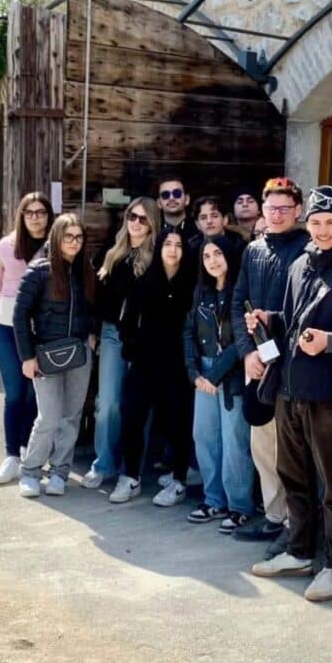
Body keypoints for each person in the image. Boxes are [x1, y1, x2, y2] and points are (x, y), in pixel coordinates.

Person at [249, 185, 332, 602]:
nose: (323, 230)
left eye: (331, 223)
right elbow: (290, 321)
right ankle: (299, 550)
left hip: (329, 393)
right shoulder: (299, 265)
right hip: (291, 388)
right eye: (316, 222)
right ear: (307, 224)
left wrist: (330, 342)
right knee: (294, 476)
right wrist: (267, 319)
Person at [229, 176, 309, 545]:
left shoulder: (309, 249)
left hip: (293, 366)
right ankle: (275, 516)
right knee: (262, 446)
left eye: (284, 208)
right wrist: (247, 352)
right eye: (271, 208)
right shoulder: (253, 250)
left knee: (292, 451)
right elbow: (237, 303)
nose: (277, 214)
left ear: (298, 210)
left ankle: (298, 524)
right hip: (258, 362)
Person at [109, 228, 195, 505]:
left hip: (177, 367)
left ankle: (179, 478)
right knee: (132, 415)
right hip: (144, 363)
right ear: (158, 249)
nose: (172, 250)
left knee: (176, 422)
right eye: (167, 244)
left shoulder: (191, 284)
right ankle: (130, 476)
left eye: (178, 245)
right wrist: (132, 347)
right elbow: (126, 320)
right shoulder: (144, 282)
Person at [13, 213, 96, 498]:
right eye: (68, 236)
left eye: (79, 237)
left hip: (79, 353)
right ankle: (31, 471)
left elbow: (94, 308)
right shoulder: (38, 271)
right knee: (48, 416)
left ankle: (60, 471)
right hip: (46, 353)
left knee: (71, 416)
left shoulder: (87, 271)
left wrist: (92, 335)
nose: (74, 242)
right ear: (57, 238)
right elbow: (20, 315)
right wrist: (27, 356)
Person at [81, 197, 161, 489]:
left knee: (138, 406)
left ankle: (132, 469)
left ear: (152, 222)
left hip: (145, 339)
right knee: (108, 403)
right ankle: (103, 463)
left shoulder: (158, 255)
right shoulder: (112, 252)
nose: (136, 223)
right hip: (112, 334)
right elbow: (97, 296)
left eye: (143, 218)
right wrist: (93, 329)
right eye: (132, 216)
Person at [184, 234, 255, 531]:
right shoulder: (201, 292)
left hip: (232, 376)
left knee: (234, 441)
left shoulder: (242, 292)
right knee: (205, 436)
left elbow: (243, 340)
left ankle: (239, 506)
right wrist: (194, 372)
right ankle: (213, 500)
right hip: (203, 375)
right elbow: (187, 332)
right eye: (207, 256)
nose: (213, 261)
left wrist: (214, 376)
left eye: (218, 254)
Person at [0, 192, 55, 484]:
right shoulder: (4, 247)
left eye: (41, 212)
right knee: (14, 392)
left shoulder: (55, 247)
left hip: (41, 331)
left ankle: (31, 452)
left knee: (34, 394)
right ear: (22, 215)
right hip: (7, 328)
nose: (36, 217)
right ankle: (11, 455)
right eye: (30, 212)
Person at [156, 175, 197, 247]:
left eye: (177, 193)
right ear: (159, 203)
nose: (171, 198)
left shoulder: (199, 230)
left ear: (187, 199)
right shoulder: (153, 232)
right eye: (165, 195)